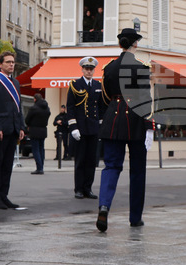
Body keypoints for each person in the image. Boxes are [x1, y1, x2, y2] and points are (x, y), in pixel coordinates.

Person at [95, 28, 155, 232]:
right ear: (135, 44)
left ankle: (104, 207)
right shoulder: (141, 67)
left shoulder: (108, 68)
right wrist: (149, 125)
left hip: (112, 118)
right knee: (137, 171)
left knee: (111, 167)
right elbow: (145, 99)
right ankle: (135, 217)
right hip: (136, 120)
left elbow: (104, 97)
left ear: (121, 44)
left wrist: (110, 113)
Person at [0, 51, 26, 210]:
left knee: (7, 166)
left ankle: (4, 196)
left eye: (13, 62)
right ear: (0, 64)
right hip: (0, 129)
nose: (11, 65)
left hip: (13, 128)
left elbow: (18, 107)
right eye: (8, 62)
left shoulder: (15, 83)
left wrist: (21, 126)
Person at [66, 56, 102, 199]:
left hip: (93, 128)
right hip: (80, 128)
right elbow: (70, 107)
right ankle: (79, 189)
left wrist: (101, 124)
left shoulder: (98, 85)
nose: (89, 71)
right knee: (80, 160)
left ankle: (88, 188)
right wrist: (73, 127)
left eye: (91, 69)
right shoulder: (75, 85)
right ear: (82, 69)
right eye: (86, 69)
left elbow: (100, 107)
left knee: (91, 160)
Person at [25, 93, 51, 174]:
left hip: (34, 130)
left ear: (35, 99)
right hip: (43, 129)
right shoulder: (47, 108)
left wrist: (29, 125)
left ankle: (39, 168)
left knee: (35, 150)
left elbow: (27, 119)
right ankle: (41, 166)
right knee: (41, 149)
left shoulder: (33, 108)